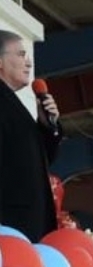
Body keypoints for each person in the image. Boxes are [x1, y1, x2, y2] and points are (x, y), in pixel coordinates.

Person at [0, 29, 62, 242]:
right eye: (20, 54)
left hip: (31, 221)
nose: (28, 63)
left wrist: (47, 127)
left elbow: (43, 160)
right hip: (11, 222)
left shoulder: (16, 105)